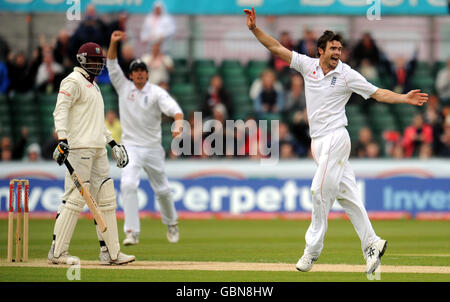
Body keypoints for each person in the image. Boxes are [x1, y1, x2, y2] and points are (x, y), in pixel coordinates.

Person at [244, 7, 428, 274]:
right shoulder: (308, 66)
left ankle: (311, 251)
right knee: (348, 197)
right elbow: (276, 48)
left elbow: (377, 93)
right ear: (321, 50)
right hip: (318, 142)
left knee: (318, 191)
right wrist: (254, 29)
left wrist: (403, 98)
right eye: (333, 48)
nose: (337, 53)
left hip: (337, 137)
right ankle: (372, 243)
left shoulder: (346, 74)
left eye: (340, 49)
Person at [48, 41, 135, 265]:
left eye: (100, 61)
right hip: (78, 149)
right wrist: (63, 139)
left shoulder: (93, 86)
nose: (98, 64)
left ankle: (110, 254)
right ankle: (58, 253)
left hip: (97, 150)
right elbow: (60, 110)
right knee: (75, 200)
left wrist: (113, 143)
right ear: (83, 60)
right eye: (94, 60)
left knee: (106, 200)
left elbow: (97, 123)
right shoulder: (72, 81)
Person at [107, 31, 183, 246]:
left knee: (163, 190)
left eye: (142, 71)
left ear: (147, 74)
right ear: (130, 75)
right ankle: (131, 231)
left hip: (152, 148)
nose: (139, 74)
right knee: (128, 185)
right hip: (130, 146)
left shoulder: (156, 92)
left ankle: (171, 223)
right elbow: (112, 64)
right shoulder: (123, 88)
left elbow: (175, 110)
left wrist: (178, 124)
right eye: (135, 71)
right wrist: (113, 42)